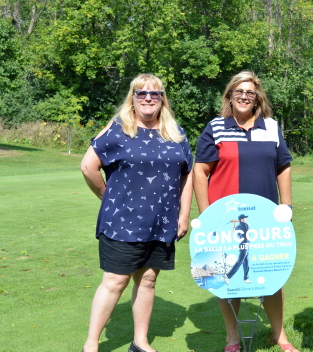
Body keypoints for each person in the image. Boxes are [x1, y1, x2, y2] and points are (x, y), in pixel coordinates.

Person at [80, 74, 193, 352]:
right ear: (132, 97)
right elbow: (88, 166)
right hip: (123, 222)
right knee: (115, 281)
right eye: (141, 93)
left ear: (162, 98)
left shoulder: (175, 132)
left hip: (162, 222)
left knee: (148, 280)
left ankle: (140, 342)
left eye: (154, 94)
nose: (148, 98)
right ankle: (91, 345)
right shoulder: (118, 128)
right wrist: (106, 196)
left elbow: (187, 173)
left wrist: (184, 214)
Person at [193, 70, 297, 352]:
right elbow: (200, 171)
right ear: (229, 96)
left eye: (249, 92)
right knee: (222, 276)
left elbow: (283, 166)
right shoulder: (215, 127)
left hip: (264, 218)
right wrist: (206, 215)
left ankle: (280, 336)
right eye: (238, 92)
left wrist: (286, 206)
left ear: (257, 98)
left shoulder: (272, 127)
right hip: (223, 218)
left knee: (273, 275)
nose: (243, 96)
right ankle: (232, 339)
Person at [224, 214, 251, 284]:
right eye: (245, 218)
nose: (246, 219)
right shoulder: (245, 225)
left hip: (243, 244)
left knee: (246, 261)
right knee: (240, 261)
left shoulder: (239, 226)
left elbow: (234, 230)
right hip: (244, 244)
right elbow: (244, 223)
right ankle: (228, 276)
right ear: (242, 220)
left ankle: (246, 278)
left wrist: (234, 222)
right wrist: (235, 221)